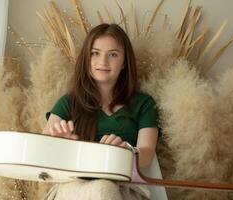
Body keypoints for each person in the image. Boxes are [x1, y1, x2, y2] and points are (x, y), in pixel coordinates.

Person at [42, 23, 159, 200]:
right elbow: (41, 151)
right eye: (95, 53)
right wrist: (60, 145)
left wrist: (123, 152)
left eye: (113, 54)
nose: (103, 61)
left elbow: (147, 153)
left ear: (124, 62)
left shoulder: (144, 104)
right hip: (73, 186)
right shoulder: (67, 103)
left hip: (123, 188)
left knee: (103, 189)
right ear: (86, 59)